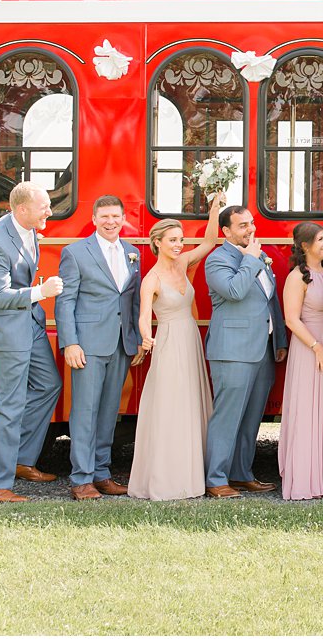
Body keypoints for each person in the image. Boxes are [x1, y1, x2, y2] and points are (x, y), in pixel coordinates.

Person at [0, 181, 63, 503]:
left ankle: (20, 460)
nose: (49, 211)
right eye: (43, 206)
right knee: (9, 405)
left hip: (28, 323)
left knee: (48, 385)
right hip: (5, 329)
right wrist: (40, 293)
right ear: (22, 209)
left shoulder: (29, 229)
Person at [127, 201, 223, 500]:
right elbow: (144, 316)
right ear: (157, 243)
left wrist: (215, 207)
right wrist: (146, 338)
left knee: (191, 403)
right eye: (173, 240)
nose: (179, 245)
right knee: (171, 407)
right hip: (167, 341)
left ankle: (193, 474)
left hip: (190, 338)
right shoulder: (151, 280)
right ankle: (168, 477)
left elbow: (209, 241)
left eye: (181, 240)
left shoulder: (183, 264)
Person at [55, 194, 143, 500]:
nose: (111, 222)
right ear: (94, 219)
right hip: (88, 344)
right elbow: (65, 301)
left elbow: (132, 300)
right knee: (85, 411)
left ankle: (102, 473)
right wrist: (71, 343)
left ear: (123, 219)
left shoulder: (132, 253)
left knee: (109, 412)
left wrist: (136, 339)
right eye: (104, 216)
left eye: (116, 216)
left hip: (121, 344)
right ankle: (81, 479)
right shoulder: (76, 252)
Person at [202, 205, 289, 498]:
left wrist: (279, 341)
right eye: (242, 226)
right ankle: (215, 479)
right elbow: (235, 291)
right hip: (233, 350)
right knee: (227, 416)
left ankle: (240, 473)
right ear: (226, 231)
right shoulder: (218, 260)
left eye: (251, 223)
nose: (250, 229)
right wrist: (250, 260)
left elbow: (270, 300)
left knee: (252, 417)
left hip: (261, 350)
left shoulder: (257, 256)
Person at [278, 220, 323, 500]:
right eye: (320, 239)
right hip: (311, 347)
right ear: (305, 246)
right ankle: (307, 479)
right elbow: (291, 319)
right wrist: (317, 347)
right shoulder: (297, 277)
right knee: (309, 410)